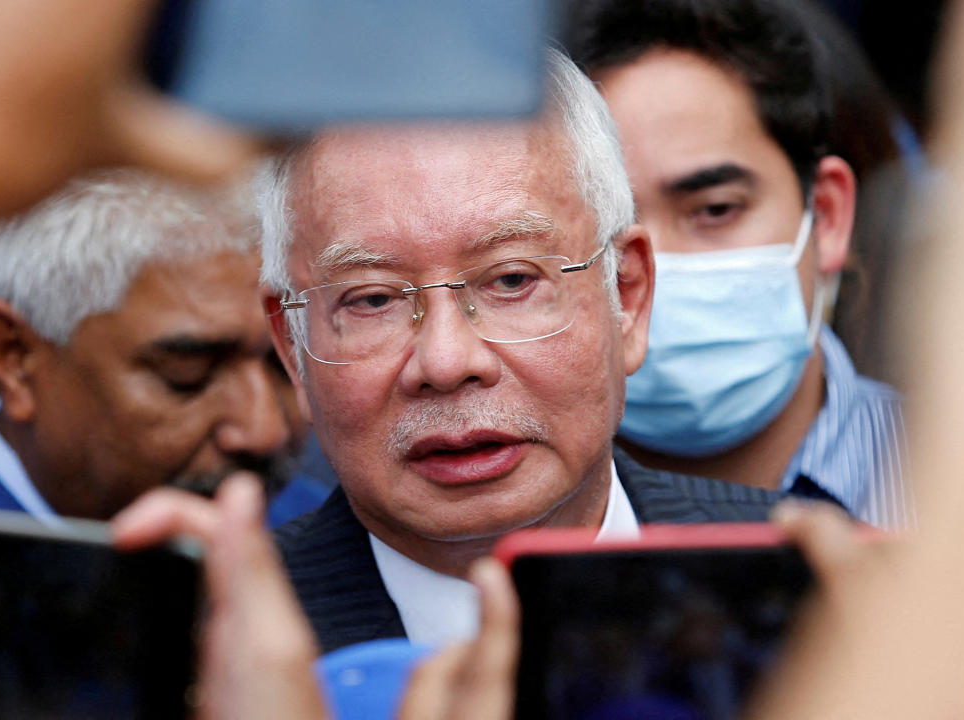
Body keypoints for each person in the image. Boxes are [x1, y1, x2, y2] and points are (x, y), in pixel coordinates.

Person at [256, 48, 785, 654]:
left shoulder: (842, 598)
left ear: (627, 297)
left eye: (511, 281)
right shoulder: (205, 650)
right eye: (373, 300)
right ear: (293, 348)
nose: (448, 363)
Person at [566, 0, 913, 528]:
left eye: (715, 210)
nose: (652, 266)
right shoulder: (487, 509)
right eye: (612, 228)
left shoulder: (963, 480)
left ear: (827, 215)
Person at [0, 169, 290, 521]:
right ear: (12, 358)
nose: (266, 431)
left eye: (285, 364)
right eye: (187, 374)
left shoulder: (319, 537)